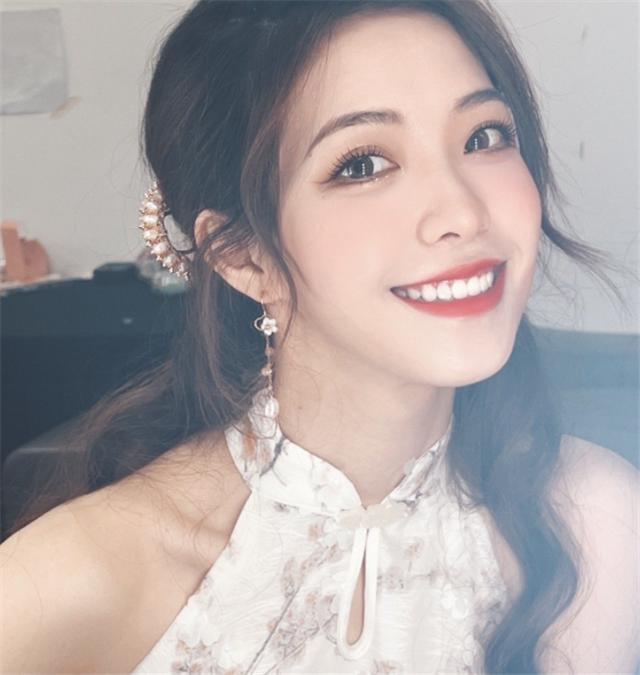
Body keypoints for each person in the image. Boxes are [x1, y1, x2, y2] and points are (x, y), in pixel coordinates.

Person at [1, 1, 638, 673]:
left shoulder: (596, 521)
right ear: (242, 256)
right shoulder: (65, 585)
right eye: (363, 164)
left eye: (484, 136)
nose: (462, 211)